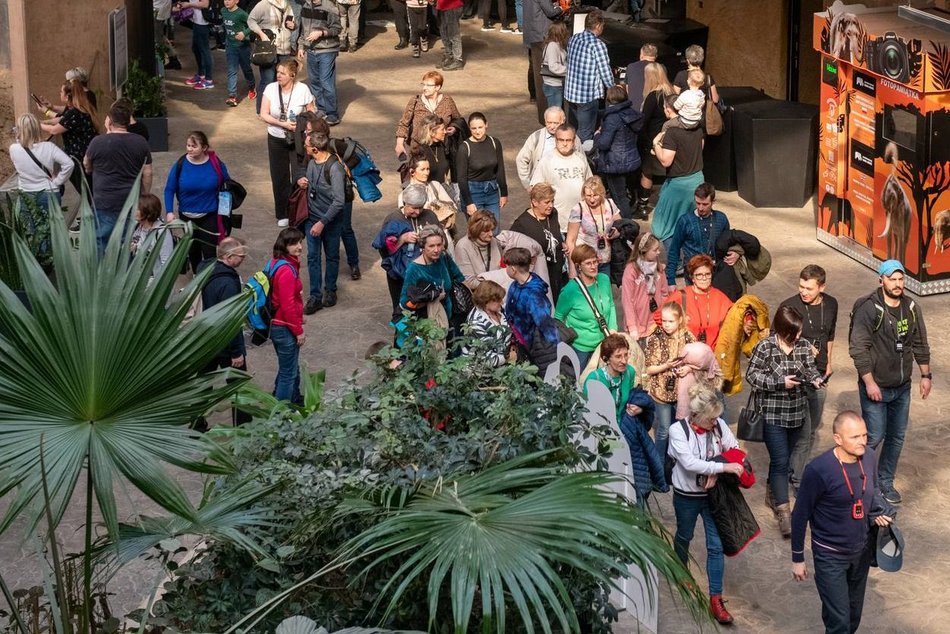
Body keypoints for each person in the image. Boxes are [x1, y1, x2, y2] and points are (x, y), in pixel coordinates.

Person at [791, 411, 895, 634]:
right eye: (855, 437)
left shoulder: (869, 456)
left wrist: (874, 512)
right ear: (838, 438)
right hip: (830, 556)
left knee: (853, 616)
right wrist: (797, 558)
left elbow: (872, 489)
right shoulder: (818, 470)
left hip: (861, 552)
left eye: (865, 435)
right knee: (839, 622)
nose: (863, 442)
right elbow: (800, 515)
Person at [848, 259, 931, 505]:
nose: (897, 284)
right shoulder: (867, 308)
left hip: (902, 387)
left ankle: (885, 481)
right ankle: (862, 482)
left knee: (896, 437)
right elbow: (858, 349)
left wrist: (925, 375)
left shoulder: (912, 307)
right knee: (873, 436)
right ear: (881, 280)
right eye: (891, 279)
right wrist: (870, 383)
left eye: (900, 279)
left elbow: (920, 343)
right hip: (877, 386)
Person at [668, 383, 746, 626]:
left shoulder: (719, 425)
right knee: (684, 534)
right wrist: (721, 467)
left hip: (715, 497)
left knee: (716, 545)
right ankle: (680, 570)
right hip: (687, 495)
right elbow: (690, 463)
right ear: (697, 415)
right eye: (711, 418)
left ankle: (716, 598)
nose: (716, 422)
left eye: (717, 417)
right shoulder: (677, 431)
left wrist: (716, 467)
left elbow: (733, 448)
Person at [746, 305, 824, 537]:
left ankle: (773, 492)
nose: (799, 336)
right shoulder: (765, 347)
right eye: (795, 332)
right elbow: (752, 375)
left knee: (785, 460)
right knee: (780, 461)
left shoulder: (802, 347)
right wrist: (781, 382)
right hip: (773, 414)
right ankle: (784, 512)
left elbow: (809, 369)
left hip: (797, 413)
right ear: (783, 330)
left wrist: (816, 379)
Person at [782, 265, 838, 495]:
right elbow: (779, 343)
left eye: (809, 288)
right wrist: (802, 348)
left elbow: (830, 334)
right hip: (797, 377)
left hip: (821, 374)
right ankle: (795, 476)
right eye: (801, 286)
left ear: (821, 287)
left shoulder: (831, 304)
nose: (803, 292)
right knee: (802, 431)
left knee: (811, 428)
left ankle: (791, 468)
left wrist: (829, 362)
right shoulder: (790, 306)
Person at [193, 237, 253, 429]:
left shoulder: (205, 269)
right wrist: (236, 351)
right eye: (240, 256)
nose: (243, 259)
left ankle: (197, 425)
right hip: (225, 343)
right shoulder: (228, 283)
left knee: (203, 384)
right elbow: (231, 319)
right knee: (238, 384)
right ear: (228, 257)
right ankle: (243, 425)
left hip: (204, 339)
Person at [83, 100, 153, 255]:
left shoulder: (97, 142)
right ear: (128, 121)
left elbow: (86, 165)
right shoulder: (140, 142)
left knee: (101, 242)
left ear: (109, 120)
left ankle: (102, 276)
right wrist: (144, 195)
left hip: (104, 201)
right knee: (128, 244)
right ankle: (126, 276)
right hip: (131, 201)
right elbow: (148, 173)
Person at [164, 131, 232, 273]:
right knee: (193, 250)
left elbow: (227, 185)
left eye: (194, 146)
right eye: (188, 145)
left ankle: (208, 278)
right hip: (187, 216)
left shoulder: (216, 164)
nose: (189, 149)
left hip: (210, 214)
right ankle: (196, 276)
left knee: (209, 250)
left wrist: (226, 210)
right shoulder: (180, 165)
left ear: (204, 148)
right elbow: (169, 189)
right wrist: (169, 212)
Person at [261, 59, 316, 228]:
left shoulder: (302, 89)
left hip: (297, 139)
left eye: (282, 73)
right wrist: (283, 124)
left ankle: (298, 210)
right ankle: (282, 213)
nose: (278, 76)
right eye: (278, 72)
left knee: (299, 174)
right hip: (276, 137)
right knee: (279, 176)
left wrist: (304, 126)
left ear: (292, 75)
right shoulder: (270, 89)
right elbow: (264, 114)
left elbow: (311, 111)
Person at [375, 184, 441, 322]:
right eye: (414, 208)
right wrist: (402, 239)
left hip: (426, 273)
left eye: (420, 207)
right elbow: (384, 249)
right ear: (405, 203)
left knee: (426, 313)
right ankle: (401, 342)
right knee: (402, 312)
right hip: (400, 275)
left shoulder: (430, 215)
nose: (417, 212)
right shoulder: (393, 219)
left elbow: (442, 241)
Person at [302, 128, 348, 314]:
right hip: (311, 217)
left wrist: (322, 222)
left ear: (315, 149)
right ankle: (315, 295)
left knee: (331, 256)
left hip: (330, 221)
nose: (303, 148)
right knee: (313, 257)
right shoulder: (312, 162)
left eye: (306, 146)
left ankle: (330, 290)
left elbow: (339, 201)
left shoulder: (335, 168)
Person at [650, 95, 705, 245]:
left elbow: (666, 161)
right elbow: (699, 148)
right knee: (692, 223)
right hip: (698, 180)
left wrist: (656, 145)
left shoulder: (672, 132)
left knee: (664, 227)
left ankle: (677, 263)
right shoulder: (699, 129)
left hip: (679, 186)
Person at [644, 301, 695, 464]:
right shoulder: (655, 338)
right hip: (661, 392)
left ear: (679, 320)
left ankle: (677, 462)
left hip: (682, 393)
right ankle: (658, 464)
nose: (666, 325)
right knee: (664, 430)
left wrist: (688, 368)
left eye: (670, 321)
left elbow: (700, 360)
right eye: (664, 321)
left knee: (680, 429)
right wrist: (666, 366)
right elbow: (650, 369)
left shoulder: (688, 336)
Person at [555, 243, 617, 369]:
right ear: (579, 266)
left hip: (604, 343)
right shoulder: (569, 291)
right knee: (579, 383)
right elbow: (558, 317)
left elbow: (611, 304)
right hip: (580, 348)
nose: (594, 266)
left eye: (595, 262)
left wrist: (613, 328)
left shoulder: (604, 279)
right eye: (588, 263)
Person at [399, 224, 466, 332]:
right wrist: (434, 299)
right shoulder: (414, 269)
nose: (436, 250)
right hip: (428, 326)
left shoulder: (443, 257)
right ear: (423, 247)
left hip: (451, 319)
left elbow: (459, 278)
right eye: (431, 246)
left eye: (439, 245)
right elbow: (404, 303)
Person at [38, 80, 100, 195]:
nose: (59, 93)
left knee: (87, 193)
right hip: (85, 155)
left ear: (67, 97)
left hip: (79, 159)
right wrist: (45, 117)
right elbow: (62, 119)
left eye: (61, 92)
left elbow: (54, 130)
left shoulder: (74, 113)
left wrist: (36, 124)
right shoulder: (80, 108)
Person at [504, 246, 559, 372]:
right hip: (518, 342)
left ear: (513, 269)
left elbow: (546, 324)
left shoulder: (534, 296)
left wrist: (556, 350)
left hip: (531, 348)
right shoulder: (515, 285)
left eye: (506, 266)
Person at [563, 9, 614, 142]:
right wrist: (613, 88)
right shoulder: (598, 45)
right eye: (603, 26)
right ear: (598, 26)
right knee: (585, 133)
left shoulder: (574, 38)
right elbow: (605, 70)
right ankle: (582, 159)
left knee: (574, 128)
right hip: (587, 96)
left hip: (571, 93)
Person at [592, 85, 643, 220]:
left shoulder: (612, 118)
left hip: (615, 165)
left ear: (609, 100)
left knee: (619, 198)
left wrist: (597, 135)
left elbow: (603, 144)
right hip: (632, 161)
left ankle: (627, 226)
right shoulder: (632, 114)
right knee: (628, 194)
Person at [510, 182, 566, 303]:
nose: (551, 205)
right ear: (535, 202)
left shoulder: (553, 214)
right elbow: (510, 249)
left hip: (556, 272)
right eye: (546, 202)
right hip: (538, 275)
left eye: (552, 201)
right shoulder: (522, 223)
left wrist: (561, 244)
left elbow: (554, 234)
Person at [661, 255, 732, 349]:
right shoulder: (680, 296)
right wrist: (678, 323)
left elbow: (736, 312)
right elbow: (659, 316)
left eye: (707, 274)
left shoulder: (719, 296)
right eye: (699, 275)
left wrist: (748, 321)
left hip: (713, 355)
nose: (704, 278)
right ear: (692, 277)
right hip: (686, 355)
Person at [666, 182, 731, 286]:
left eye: (705, 204)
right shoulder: (685, 221)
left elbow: (729, 243)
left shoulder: (721, 219)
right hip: (693, 274)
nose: (700, 208)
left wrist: (736, 254)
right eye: (698, 203)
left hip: (716, 273)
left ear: (713, 202)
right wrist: (671, 280)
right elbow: (674, 249)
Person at [269, 227, 306, 403]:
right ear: (285, 246)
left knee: (289, 368)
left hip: (278, 324)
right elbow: (287, 305)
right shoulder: (286, 271)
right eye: (295, 243)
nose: (300, 247)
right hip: (284, 327)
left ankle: (293, 398)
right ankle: (281, 414)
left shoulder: (276, 262)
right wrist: (298, 330)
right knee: (288, 373)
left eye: (300, 242)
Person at [529, 124, 592, 229]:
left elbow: (590, 184)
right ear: (555, 140)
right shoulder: (547, 160)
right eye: (561, 140)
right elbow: (535, 191)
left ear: (574, 141)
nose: (565, 144)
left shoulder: (580, 158)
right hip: (557, 222)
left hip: (581, 221)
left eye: (568, 140)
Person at [10, 113, 74, 213]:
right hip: (49, 191)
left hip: (26, 193)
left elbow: (20, 147)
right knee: (52, 227)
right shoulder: (48, 147)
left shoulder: (13, 149)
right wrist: (58, 181)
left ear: (19, 130)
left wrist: (18, 135)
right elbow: (69, 164)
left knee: (29, 228)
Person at [635, 62, 675, 219]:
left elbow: (643, 121)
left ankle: (643, 206)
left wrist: (642, 139)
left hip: (653, 140)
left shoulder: (653, 96)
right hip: (670, 139)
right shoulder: (671, 93)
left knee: (647, 173)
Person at [394, 71, 463, 158]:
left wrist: (454, 127)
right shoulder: (415, 101)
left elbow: (458, 119)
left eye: (428, 85)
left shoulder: (447, 100)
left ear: (437, 87)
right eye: (423, 84)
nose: (424, 88)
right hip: (419, 148)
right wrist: (399, 144)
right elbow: (404, 124)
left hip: (441, 148)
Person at [296, 0, 343, 126]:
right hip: (311, 49)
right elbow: (303, 29)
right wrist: (301, 46)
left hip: (327, 50)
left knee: (325, 81)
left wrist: (321, 33)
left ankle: (332, 114)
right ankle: (322, 109)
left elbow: (337, 29)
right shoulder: (306, 6)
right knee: (315, 80)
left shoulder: (330, 7)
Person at [397, 153, 461, 243]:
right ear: (412, 172)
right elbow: (404, 218)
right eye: (422, 169)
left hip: (442, 235)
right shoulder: (403, 195)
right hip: (420, 239)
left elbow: (452, 207)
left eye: (428, 169)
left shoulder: (435, 185)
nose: (426, 172)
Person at [457, 112, 507, 225]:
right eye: (473, 128)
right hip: (473, 192)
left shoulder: (495, 143)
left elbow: (500, 169)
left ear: (486, 125)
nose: (477, 131)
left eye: (480, 127)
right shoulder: (465, 148)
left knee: (494, 230)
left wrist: (504, 193)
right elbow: (461, 178)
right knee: (478, 231)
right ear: (469, 128)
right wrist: (469, 202)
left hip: (492, 190)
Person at [248, 0, 297, 113]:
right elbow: (251, 20)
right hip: (269, 50)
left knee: (282, 81)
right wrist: (262, 34)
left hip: (284, 49)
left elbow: (292, 23)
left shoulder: (287, 4)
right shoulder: (264, 4)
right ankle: (262, 110)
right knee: (268, 80)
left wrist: (293, 25)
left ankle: (276, 109)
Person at [515, 106, 580, 191]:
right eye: (549, 122)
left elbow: (581, 160)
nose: (552, 126)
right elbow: (521, 159)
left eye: (556, 123)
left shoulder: (573, 138)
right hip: (542, 187)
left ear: (563, 121)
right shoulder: (536, 137)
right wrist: (527, 184)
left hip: (566, 187)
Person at [622, 232, 671, 340]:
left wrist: (663, 316)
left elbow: (664, 293)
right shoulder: (631, 270)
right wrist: (632, 327)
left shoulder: (658, 268)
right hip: (637, 324)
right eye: (655, 250)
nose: (658, 252)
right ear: (644, 250)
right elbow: (627, 301)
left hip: (655, 322)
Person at [566, 176, 620, 274]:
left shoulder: (610, 204)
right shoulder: (578, 209)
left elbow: (621, 225)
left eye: (595, 195)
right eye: (588, 195)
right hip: (586, 261)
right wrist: (572, 269)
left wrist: (617, 232)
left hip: (605, 259)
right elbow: (571, 240)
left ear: (602, 193)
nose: (591, 199)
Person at [522, 0, 564, 121]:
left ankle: (533, 95)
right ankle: (545, 111)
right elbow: (551, 12)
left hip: (531, 33)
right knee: (543, 73)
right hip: (540, 35)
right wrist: (560, 8)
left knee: (533, 67)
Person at [584, 333, 637, 423]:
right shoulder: (594, 379)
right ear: (606, 359)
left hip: (623, 427)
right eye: (618, 356)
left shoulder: (630, 372)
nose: (624, 361)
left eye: (626, 355)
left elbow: (631, 398)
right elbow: (585, 409)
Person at [463, 280, 515, 367]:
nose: (501, 302)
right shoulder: (476, 323)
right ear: (486, 301)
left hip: (502, 365)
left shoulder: (498, 309)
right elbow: (486, 359)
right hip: (481, 373)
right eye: (498, 300)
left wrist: (512, 344)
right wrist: (508, 357)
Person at [221, 0, 257, 107]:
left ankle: (251, 86)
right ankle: (232, 96)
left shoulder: (241, 13)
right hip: (230, 46)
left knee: (246, 68)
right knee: (232, 70)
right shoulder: (223, 11)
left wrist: (244, 33)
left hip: (243, 47)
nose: (227, 2)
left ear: (236, 1)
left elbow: (252, 24)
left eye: (230, 0)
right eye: (225, 0)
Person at [130, 193, 174, 279]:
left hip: (152, 281)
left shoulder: (162, 232)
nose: (133, 210)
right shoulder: (136, 227)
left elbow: (166, 263)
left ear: (148, 212)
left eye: (137, 208)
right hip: (136, 277)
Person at [454, 210, 501, 288]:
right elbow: (469, 282)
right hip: (478, 294)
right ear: (476, 230)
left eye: (492, 230)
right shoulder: (463, 246)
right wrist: (495, 285)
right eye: (486, 231)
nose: (491, 234)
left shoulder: (495, 242)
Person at [177, 0, 215, 90]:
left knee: (204, 50)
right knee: (196, 48)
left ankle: (208, 80)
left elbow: (205, 4)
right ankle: (201, 75)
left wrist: (189, 4)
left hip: (203, 23)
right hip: (196, 21)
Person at [673, 44, 720, 113]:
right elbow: (715, 99)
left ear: (688, 61)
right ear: (702, 59)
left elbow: (675, 97)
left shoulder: (681, 75)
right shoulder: (708, 77)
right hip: (703, 117)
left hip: (684, 116)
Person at [663, 67, 705, 132]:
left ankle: (662, 140)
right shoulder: (701, 95)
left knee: (666, 125)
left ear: (688, 81)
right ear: (702, 83)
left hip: (684, 122)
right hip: (696, 122)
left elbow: (676, 106)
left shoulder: (685, 94)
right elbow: (702, 105)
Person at [539, 21, 569, 110]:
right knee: (555, 112)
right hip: (553, 85)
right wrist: (569, 70)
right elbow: (553, 66)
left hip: (555, 85)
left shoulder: (555, 44)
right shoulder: (552, 46)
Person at [625, 43, 661, 111]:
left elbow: (628, 89)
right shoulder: (661, 68)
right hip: (652, 110)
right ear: (656, 56)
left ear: (641, 54)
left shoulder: (631, 67)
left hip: (634, 109)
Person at [436, 0, 465, 71]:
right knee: (444, 32)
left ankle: (458, 60)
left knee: (453, 33)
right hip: (441, 5)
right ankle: (449, 55)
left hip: (453, 5)